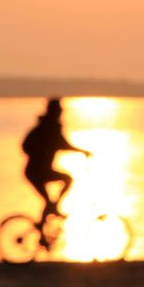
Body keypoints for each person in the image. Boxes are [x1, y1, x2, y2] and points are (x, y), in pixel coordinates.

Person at [22, 98, 91, 231]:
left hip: (39, 170)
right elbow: (61, 144)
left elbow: (61, 144)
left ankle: (43, 229)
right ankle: (53, 211)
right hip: (36, 171)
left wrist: (81, 152)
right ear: (54, 112)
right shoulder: (47, 127)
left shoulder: (49, 126)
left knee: (50, 201)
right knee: (66, 181)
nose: (61, 113)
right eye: (59, 111)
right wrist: (82, 152)